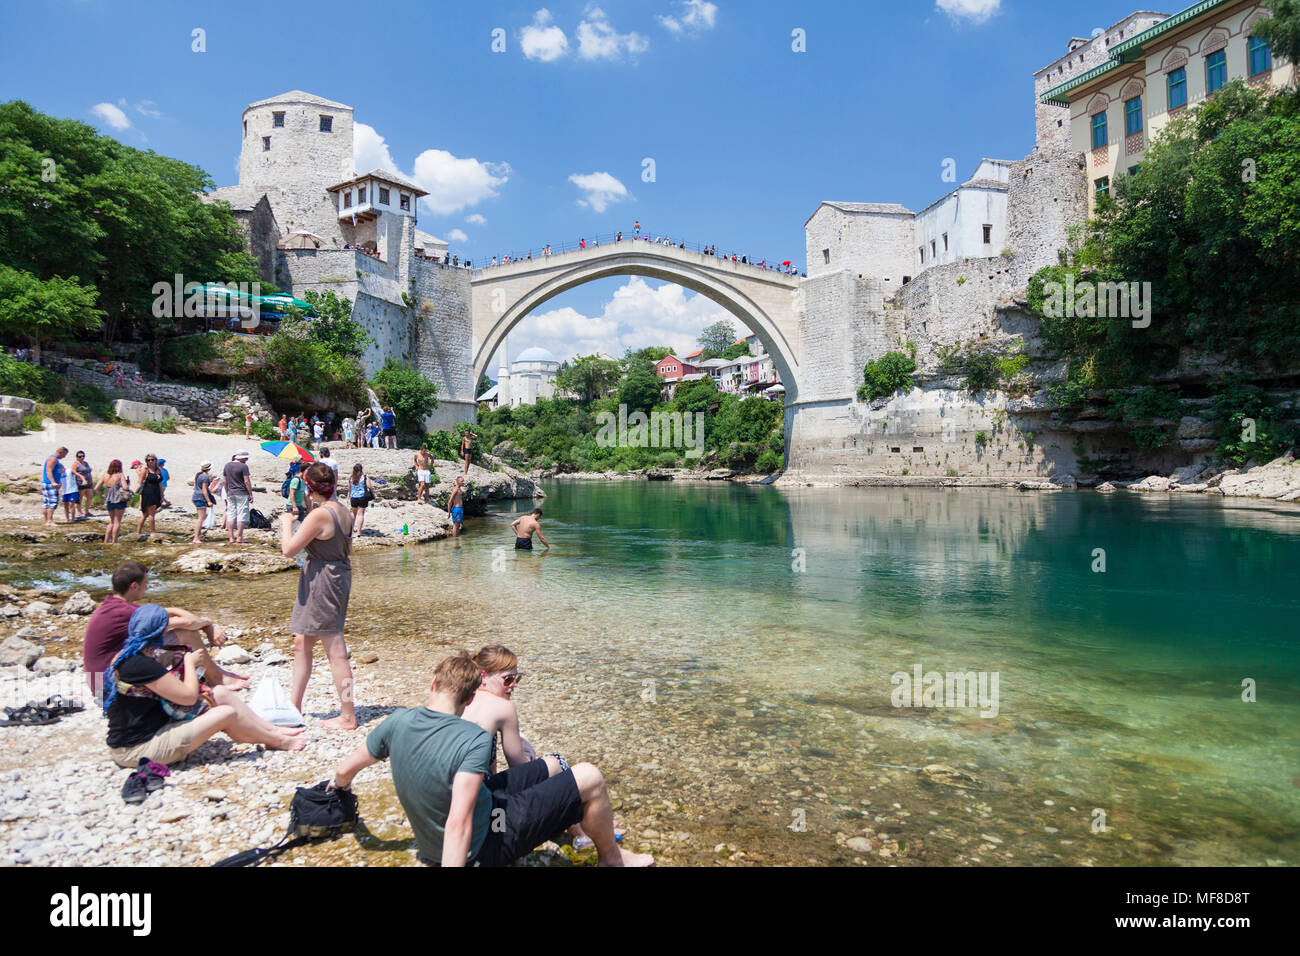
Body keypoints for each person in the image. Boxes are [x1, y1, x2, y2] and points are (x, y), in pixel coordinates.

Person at [328, 651, 651, 867]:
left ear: (433, 683)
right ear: (470, 698)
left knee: (556, 765)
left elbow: (344, 770)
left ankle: (580, 822)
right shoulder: (474, 740)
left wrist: (337, 790)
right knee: (590, 775)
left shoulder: (397, 721)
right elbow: (458, 821)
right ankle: (612, 859)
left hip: (446, 836)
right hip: (484, 847)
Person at [102, 604, 304, 768]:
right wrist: (189, 664)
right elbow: (188, 697)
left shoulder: (131, 654)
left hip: (153, 727)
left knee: (220, 693)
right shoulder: (141, 665)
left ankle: (271, 730)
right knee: (225, 713)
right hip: (137, 750)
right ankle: (277, 742)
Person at [83, 560, 248, 696]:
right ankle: (216, 678)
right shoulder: (124, 612)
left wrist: (208, 626)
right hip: (107, 686)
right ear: (134, 586)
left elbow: (169, 611)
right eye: (145, 584)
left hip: (101, 680)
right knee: (185, 633)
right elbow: (187, 623)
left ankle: (214, 673)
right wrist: (207, 624)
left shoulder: (114, 605)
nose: (147, 588)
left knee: (177, 633)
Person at [281, 462, 356, 730]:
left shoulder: (320, 515)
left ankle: (348, 715)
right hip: (331, 575)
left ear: (310, 488)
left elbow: (289, 550)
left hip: (323, 580)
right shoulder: (342, 510)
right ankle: (294, 706)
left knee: (336, 650)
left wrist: (285, 525)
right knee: (302, 642)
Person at [95, 460, 132, 544]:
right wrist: (127, 483)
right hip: (119, 500)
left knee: (111, 522)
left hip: (109, 501)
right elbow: (125, 488)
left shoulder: (105, 475)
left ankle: (106, 541)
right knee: (117, 522)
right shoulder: (120, 475)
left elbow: (96, 488)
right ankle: (114, 542)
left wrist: (102, 498)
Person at [222, 451, 253, 545]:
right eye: (246, 458)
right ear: (242, 458)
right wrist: (250, 494)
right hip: (242, 493)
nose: (246, 460)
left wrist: (227, 491)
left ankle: (231, 537)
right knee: (241, 514)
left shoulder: (227, 465)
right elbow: (247, 481)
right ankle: (239, 537)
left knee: (231, 514)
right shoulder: (243, 467)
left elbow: (224, 481)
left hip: (231, 492)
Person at [135, 455, 163, 538]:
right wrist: (133, 492)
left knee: (145, 514)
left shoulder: (158, 470)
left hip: (156, 492)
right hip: (148, 492)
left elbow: (160, 483)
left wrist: (162, 494)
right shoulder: (145, 470)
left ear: (155, 460)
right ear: (146, 461)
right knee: (151, 513)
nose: (150, 461)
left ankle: (138, 532)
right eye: (148, 460)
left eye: (152, 459)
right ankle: (153, 531)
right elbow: (139, 482)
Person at [41, 447, 68, 526]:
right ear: (61, 452)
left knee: (47, 503)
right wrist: (53, 482)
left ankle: (47, 521)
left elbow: (56, 471)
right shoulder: (53, 459)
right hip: (50, 484)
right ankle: (49, 521)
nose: (64, 457)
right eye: (64, 454)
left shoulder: (55, 460)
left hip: (49, 483)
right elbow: (48, 471)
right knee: (52, 502)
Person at [191, 461, 216, 544]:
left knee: (201, 517)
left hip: (196, 496)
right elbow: (204, 490)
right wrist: (209, 501)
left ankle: (199, 535)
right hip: (200, 498)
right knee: (201, 518)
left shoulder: (199, 475)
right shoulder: (205, 477)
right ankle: (196, 538)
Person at [347, 462, 373, 536]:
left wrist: (348, 496)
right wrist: (373, 493)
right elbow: (369, 486)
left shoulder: (351, 478)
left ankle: (351, 530)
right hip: (362, 497)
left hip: (353, 497)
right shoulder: (364, 477)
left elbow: (349, 489)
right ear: (361, 469)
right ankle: (359, 531)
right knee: (361, 514)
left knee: (353, 514)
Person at [74, 451, 94, 518]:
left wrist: (91, 481)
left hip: (88, 482)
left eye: (83, 456)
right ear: (77, 457)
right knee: (80, 498)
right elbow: (74, 474)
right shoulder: (76, 464)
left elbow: (89, 472)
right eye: (80, 456)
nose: (82, 457)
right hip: (80, 483)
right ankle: (79, 511)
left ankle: (87, 511)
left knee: (90, 497)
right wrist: (75, 484)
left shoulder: (86, 463)